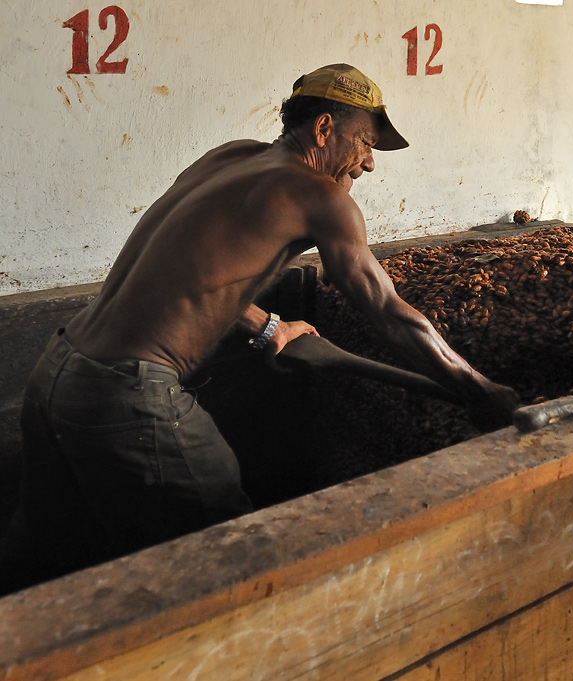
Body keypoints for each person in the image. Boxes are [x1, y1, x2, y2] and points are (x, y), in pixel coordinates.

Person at [0, 63, 518, 594]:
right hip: (127, 395)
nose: (368, 164)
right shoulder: (321, 196)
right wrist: (478, 388)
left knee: (44, 553)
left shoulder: (229, 157)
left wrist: (269, 325)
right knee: (227, 548)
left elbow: (189, 273)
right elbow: (384, 309)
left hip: (58, 372)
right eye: (364, 142)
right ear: (323, 129)